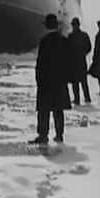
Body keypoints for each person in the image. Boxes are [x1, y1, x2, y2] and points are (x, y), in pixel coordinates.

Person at [29, 14, 71, 145]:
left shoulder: (44, 41)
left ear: (47, 25)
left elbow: (41, 63)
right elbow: (69, 60)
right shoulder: (64, 40)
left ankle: (43, 135)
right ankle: (59, 135)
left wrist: (39, 80)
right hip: (59, 81)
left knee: (44, 110)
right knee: (58, 110)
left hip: (46, 81)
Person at [67, 17, 92, 105]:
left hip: (74, 62)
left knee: (76, 83)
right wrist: (83, 53)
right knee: (82, 82)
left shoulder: (71, 36)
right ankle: (86, 98)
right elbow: (89, 47)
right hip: (81, 61)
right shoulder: (84, 35)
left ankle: (78, 99)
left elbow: (67, 49)